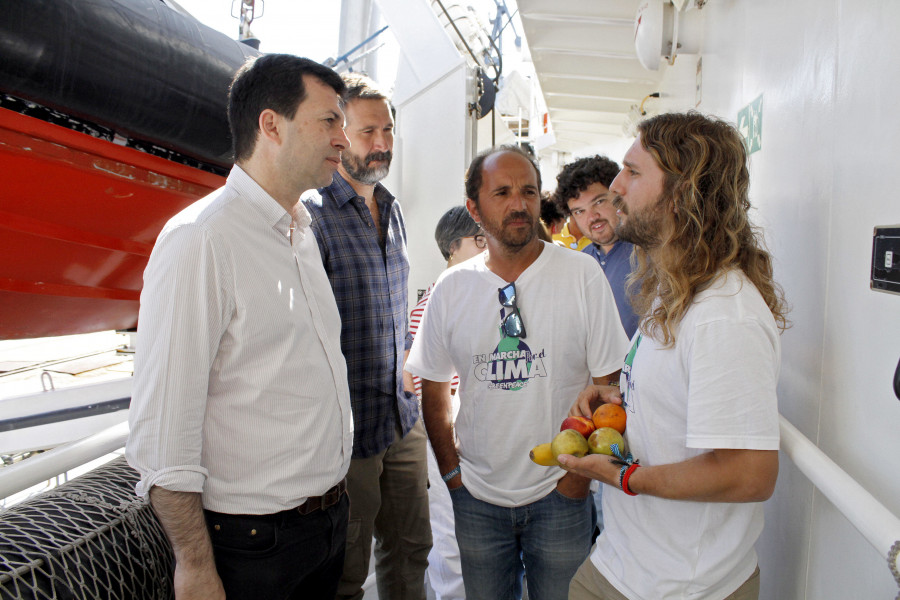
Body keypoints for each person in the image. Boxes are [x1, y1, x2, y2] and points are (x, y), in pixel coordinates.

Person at [126, 55, 353, 600]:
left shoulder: (301, 231)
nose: (343, 139)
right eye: (329, 121)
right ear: (271, 125)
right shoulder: (201, 240)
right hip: (252, 548)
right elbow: (162, 432)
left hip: (326, 526)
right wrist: (195, 567)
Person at [561, 112, 788, 600]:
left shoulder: (724, 314)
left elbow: (749, 473)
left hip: (683, 585)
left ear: (683, 193)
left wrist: (624, 477)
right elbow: (675, 390)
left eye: (633, 172)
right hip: (624, 561)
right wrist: (613, 393)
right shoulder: (674, 291)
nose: (616, 186)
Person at [406, 145, 630, 600]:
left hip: (561, 496)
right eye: (502, 192)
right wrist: (454, 477)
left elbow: (610, 386)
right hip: (477, 499)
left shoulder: (582, 274)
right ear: (474, 208)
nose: (518, 203)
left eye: (528, 191)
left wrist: (575, 480)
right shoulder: (452, 288)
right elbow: (432, 387)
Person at [301, 73, 431, 600]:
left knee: (411, 549)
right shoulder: (311, 216)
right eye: (367, 131)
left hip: (402, 416)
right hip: (348, 434)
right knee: (346, 572)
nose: (381, 144)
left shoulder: (394, 209)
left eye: (388, 130)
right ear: (339, 134)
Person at [405, 206, 486, 600]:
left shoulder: (475, 293)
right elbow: (417, 380)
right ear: (453, 247)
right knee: (453, 539)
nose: (489, 249)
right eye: (480, 240)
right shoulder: (438, 299)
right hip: (451, 440)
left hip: (474, 438)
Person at [553, 155, 640, 338]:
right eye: (580, 211)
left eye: (599, 202)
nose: (592, 217)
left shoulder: (649, 253)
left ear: (617, 195)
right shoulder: (581, 263)